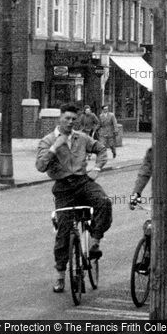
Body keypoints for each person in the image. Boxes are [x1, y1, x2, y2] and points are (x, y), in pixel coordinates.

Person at [36, 103, 111, 294]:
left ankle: (94, 242)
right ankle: (60, 276)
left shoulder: (82, 138)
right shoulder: (47, 140)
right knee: (64, 232)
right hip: (63, 188)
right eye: (66, 118)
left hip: (83, 182)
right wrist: (54, 147)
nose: (70, 122)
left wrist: (97, 168)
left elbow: (102, 149)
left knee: (104, 202)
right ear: (59, 119)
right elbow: (40, 166)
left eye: (73, 119)